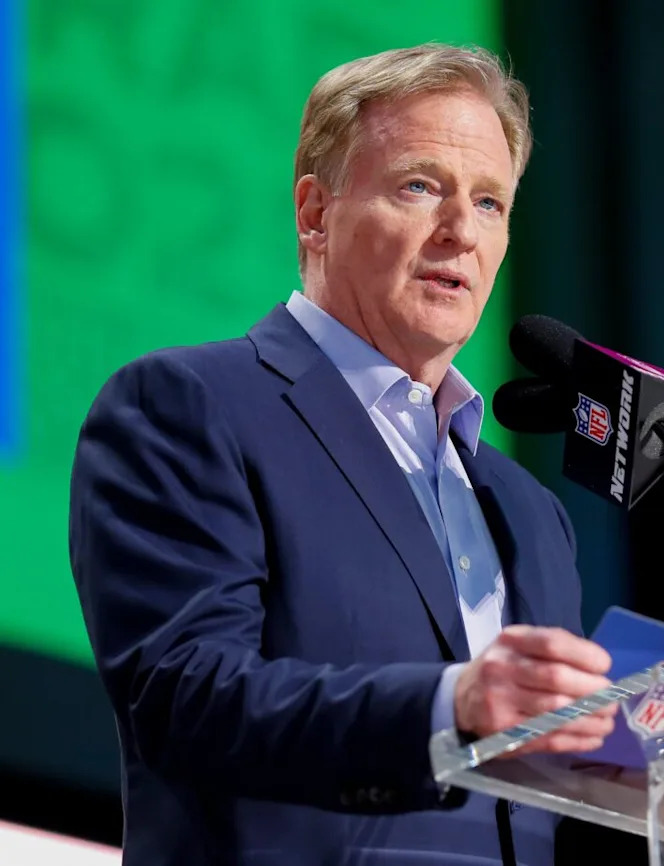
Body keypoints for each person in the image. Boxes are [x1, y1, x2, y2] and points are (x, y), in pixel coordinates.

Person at [69, 44, 618, 866]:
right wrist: (449, 704)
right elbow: (185, 698)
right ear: (316, 213)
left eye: (491, 202)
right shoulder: (187, 407)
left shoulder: (529, 510)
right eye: (420, 186)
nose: (460, 232)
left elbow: (556, 802)